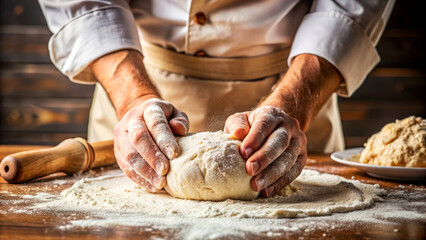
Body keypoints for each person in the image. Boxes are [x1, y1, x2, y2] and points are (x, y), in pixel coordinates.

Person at [38, 0, 394, 197]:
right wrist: (133, 97)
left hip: (295, 87)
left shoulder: (295, 102)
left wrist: (295, 101)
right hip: (135, 83)